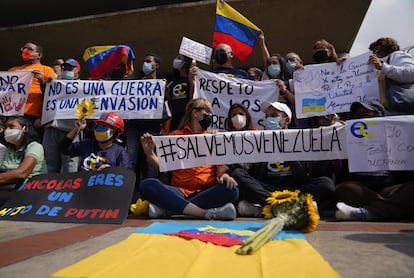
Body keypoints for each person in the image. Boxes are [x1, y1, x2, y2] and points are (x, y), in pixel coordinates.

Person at [139, 98, 239, 220]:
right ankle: (203, 213)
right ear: (195, 113)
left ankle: (172, 208)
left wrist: (225, 176)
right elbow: (161, 166)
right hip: (179, 191)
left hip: (206, 191)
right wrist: (149, 153)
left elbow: (220, 168)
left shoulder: (212, 137)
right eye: (207, 112)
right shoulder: (175, 136)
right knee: (147, 185)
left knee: (232, 189)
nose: (210, 116)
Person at [231, 101, 336, 217]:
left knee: (326, 184)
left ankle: (267, 208)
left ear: (286, 121)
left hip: (294, 189)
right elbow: (246, 168)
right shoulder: (259, 140)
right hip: (267, 189)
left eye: (274, 116)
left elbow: (306, 172)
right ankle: (293, 206)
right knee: (237, 174)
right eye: (267, 116)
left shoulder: (300, 139)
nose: (269, 119)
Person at [334, 100, 414, 212]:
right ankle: (389, 208)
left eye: (366, 112)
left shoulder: (398, 138)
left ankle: (370, 211)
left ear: (380, 115)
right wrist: (337, 132)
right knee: (345, 190)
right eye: (358, 113)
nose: (362, 115)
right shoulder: (346, 137)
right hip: (361, 190)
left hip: (391, 189)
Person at [42, 58, 82, 173]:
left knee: (70, 164)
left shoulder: (84, 87)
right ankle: (46, 189)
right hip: (52, 128)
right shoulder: (53, 85)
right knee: (49, 162)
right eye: (65, 69)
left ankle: (69, 189)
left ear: (78, 73)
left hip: (72, 130)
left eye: (71, 69)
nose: (67, 71)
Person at [59, 112, 131, 171]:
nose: (100, 128)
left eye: (105, 126)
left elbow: (125, 174)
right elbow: (64, 148)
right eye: (99, 125)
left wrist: (111, 171)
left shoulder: (119, 152)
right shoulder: (86, 144)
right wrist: (76, 129)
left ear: (115, 132)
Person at [8, 42, 56, 129]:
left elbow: (52, 94)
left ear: (39, 55)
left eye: (30, 49)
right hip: (11, 114)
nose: (25, 51)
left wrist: (42, 81)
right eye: (24, 48)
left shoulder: (47, 70)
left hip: (32, 116)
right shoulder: (12, 70)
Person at [0, 116, 47, 206]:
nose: (7, 130)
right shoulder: (10, 149)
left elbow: (21, 173)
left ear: (25, 128)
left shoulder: (35, 147)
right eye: (6, 127)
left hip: (28, 191)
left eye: (11, 127)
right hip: (9, 189)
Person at [368, 37, 414, 113]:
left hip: (403, 112)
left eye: (377, 49)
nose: (374, 53)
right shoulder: (375, 67)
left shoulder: (397, 55)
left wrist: (383, 67)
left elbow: (411, 73)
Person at [335, 178, 414, 221]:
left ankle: (367, 213)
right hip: (364, 191)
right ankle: (386, 208)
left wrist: (400, 187)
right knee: (346, 189)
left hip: (398, 191)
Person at [166, 54, 193, 132]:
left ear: (185, 63)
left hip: (186, 116)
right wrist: (167, 95)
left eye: (179, 58)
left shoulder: (190, 81)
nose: (175, 59)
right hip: (174, 117)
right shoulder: (173, 82)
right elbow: (171, 103)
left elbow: (192, 97)